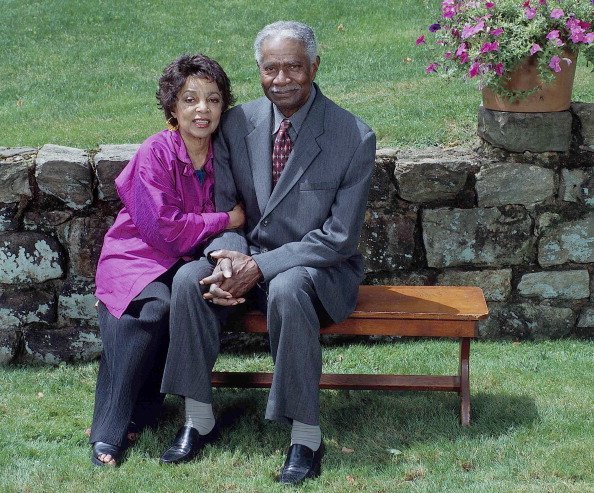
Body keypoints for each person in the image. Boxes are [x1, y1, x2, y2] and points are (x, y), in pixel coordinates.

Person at [159, 21, 375, 485]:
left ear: (314, 66)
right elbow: (224, 206)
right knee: (185, 281)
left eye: (293, 67)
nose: (281, 79)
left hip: (317, 271)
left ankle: (305, 436)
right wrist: (230, 259)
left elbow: (338, 238)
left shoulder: (353, 136)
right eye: (270, 68)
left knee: (290, 288)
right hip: (245, 258)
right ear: (259, 70)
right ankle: (198, 418)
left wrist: (260, 266)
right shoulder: (238, 122)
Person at [89, 53, 244, 467]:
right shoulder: (156, 151)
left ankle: (145, 410)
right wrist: (224, 218)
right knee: (149, 307)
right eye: (190, 99)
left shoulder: (223, 155)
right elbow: (164, 229)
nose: (202, 109)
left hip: (184, 259)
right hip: (135, 255)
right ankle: (108, 430)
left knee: (181, 298)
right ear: (172, 106)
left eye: (213, 99)